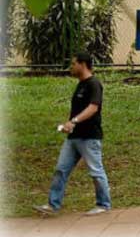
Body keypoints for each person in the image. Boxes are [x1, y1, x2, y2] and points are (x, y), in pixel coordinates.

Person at [34, 52, 111, 216]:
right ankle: (53, 204)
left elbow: (93, 107)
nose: (71, 67)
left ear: (83, 64)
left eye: (73, 63)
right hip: (73, 138)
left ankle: (103, 204)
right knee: (61, 169)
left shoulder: (94, 84)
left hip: (89, 137)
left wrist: (74, 121)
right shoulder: (80, 84)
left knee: (96, 171)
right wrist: (68, 125)